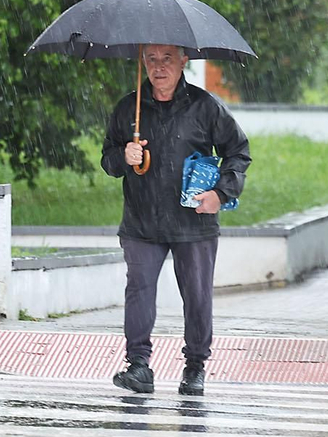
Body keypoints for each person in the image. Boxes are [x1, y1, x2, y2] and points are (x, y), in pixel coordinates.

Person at [101, 44, 250, 396]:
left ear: (184, 60)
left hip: (193, 224)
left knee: (197, 296)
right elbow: (108, 160)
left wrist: (221, 194)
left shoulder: (206, 107)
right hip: (141, 222)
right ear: (143, 62)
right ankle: (138, 366)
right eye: (151, 58)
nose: (159, 66)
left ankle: (195, 366)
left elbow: (238, 152)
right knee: (138, 291)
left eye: (167, 58)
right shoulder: (129, 108)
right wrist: (123, 155)